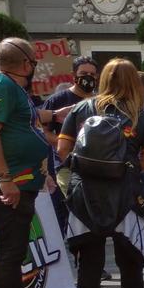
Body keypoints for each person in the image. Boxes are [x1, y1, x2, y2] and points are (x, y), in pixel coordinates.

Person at [56, 59, 144, 288]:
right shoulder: (141, 115)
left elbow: (63, 150)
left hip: (84, 195)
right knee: (131, 261)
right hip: (126, 195)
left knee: (89, 264)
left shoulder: (80, 109)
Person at [0, 37, 66, 288]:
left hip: (24, 181)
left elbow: (26, 123)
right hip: (9, 185)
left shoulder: (12, 88)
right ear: (25, 64)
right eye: (33, 60)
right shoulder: (0, 86)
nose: (35, 65)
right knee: (9, 253)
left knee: (18, 249)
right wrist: (5, 178)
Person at [41, 56, 98, 234]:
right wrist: (63, 144)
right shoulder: (57, 100)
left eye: (92, 74)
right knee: (70, 212)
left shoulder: (101, 101)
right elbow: (43, 131)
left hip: (94, 168)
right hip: (65, 168)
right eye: (83, 74)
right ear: (73, 75)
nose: (88, 77)